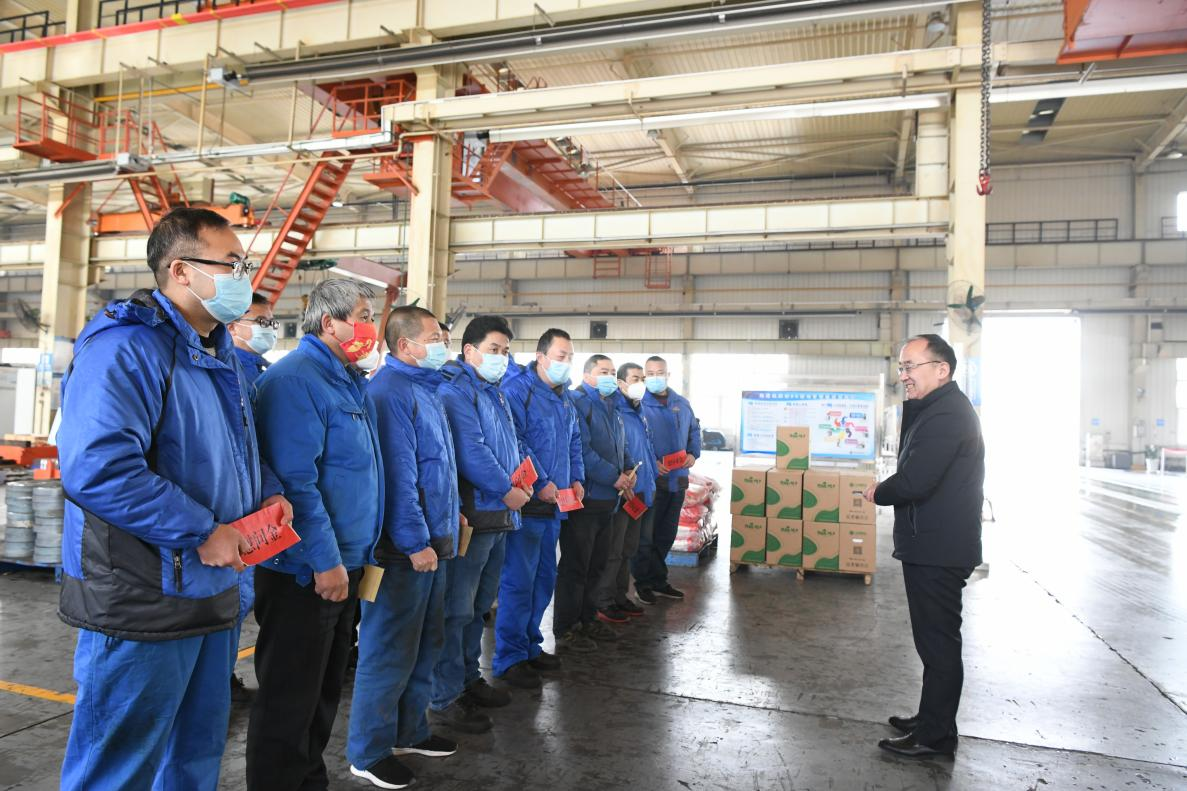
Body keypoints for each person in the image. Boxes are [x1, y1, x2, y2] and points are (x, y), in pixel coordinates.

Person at [56, 207, 290, 791]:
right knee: (118, 767)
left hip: (212, 588)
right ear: (182, 270)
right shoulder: (127, 348)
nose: (244, 277)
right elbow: (99, 468)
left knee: (195, 754)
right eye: (232, 264)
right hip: (143, 598)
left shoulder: (220, 354)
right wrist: (202, 530)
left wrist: (268, 493)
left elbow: (236, 448)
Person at [247, 279, 384, 791]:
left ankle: (309, 781)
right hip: (305, 571)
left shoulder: (347, 381)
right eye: (363, 315)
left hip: (345, 563)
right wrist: (323, 561)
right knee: (289, 700)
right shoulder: (295, 381)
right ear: (329, 322)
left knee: (323, 693)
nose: (370, 327)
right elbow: (296, 485)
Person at [347, 306, 461, 790]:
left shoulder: (426, 389)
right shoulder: (390, 392)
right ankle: (368, 751)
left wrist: (452, 515)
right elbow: (398, 475)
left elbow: (437, 467)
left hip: (433, 540)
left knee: (425, 643)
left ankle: (409, 731)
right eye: (434, 337)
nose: (442, 344)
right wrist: (415, 541)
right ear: (404, 345)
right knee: (388, 649)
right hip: (402, 549)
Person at [864, 334, 984, 759]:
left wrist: (878, 492)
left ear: (942, 369)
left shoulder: (947, 415)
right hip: (933, 543)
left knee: (938, 644)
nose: (904, 376)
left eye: (910, 366)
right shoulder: (938, 409)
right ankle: (933, 719)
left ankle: (935, 736)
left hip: (939, 549)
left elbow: (917, 480)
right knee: (934, 643)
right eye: (901, 368)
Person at [433, 315, 529, 733]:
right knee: (456, 610)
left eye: (505, 351)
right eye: (493, 349)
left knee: (477, 608)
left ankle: (468, 679)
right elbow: (471, 452)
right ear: (469, 350)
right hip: (475, 514)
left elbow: (510, 446)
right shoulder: (455, 391)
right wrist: (506, 489)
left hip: (499, 516)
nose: (501, 357)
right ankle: (444, 696)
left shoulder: (495, 393)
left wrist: (524, 480)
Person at [494, 328, 585, 687]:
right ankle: (509, 657)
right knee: (518, 582)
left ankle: (530, 645)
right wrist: (543, 481)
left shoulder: (564, 398)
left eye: (570, 357)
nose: (566, 363)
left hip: (556, 506)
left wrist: (576, 477)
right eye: (561, 356)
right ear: (541, 357)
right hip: (529, 505)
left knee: (544, 579)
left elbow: (574, 441)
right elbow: (515, 442)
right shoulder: (518, 391)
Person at [558, 355, 633, 652]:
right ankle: (567, 627)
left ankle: (588, 619)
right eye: (604, 371)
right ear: (587, 374)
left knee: (597, 566)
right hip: (586, 499)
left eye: (613, 372)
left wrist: (628, 468)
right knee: (576, 566)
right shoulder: (578, 403)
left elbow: (620, 445)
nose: (610, 377)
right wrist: (614, 476)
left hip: (608, 501)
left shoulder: (612, 406)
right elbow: (583, 452)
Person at [226, 290, 278, 700]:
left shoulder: (262, 374)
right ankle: (218, 679)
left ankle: (221, 676)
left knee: (241, 601)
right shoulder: (230, 375)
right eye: (260, 322)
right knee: (230, 600)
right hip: (237, 510)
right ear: (232, 326)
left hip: (260, 504)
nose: (268, 329)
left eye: (270, 322)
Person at [632, 355, 700, 605]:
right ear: (644, 377)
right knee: (645, 537)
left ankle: (659, 580)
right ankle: (642, 583)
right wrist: (651, 462)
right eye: (650, 373)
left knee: (666, 535)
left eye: (659, 372)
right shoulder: (639, 405)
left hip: (677, 480)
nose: (655, 377)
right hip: (652, 482)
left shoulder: (681, 403)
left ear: (668, 374)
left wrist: (693, 453)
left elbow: (694, 430)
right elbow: (634, 439)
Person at [596, 362, 659, 621]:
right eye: (635, 378)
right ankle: (603, 600)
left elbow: (644, 451)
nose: (641, 383)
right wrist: (623, 479)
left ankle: (620, 596)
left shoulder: (639, 412)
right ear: (621, 383)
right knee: (614, 550)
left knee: (628, 549)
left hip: (640, 491)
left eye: (642, 378)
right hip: (623, 493)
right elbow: (616, 452)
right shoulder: (615, 411)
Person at [229, 292, 277, 387]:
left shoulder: (262, 368)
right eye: (261, 321)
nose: (269, 327)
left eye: (271, 321)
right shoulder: (229, 371)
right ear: (232, 328)